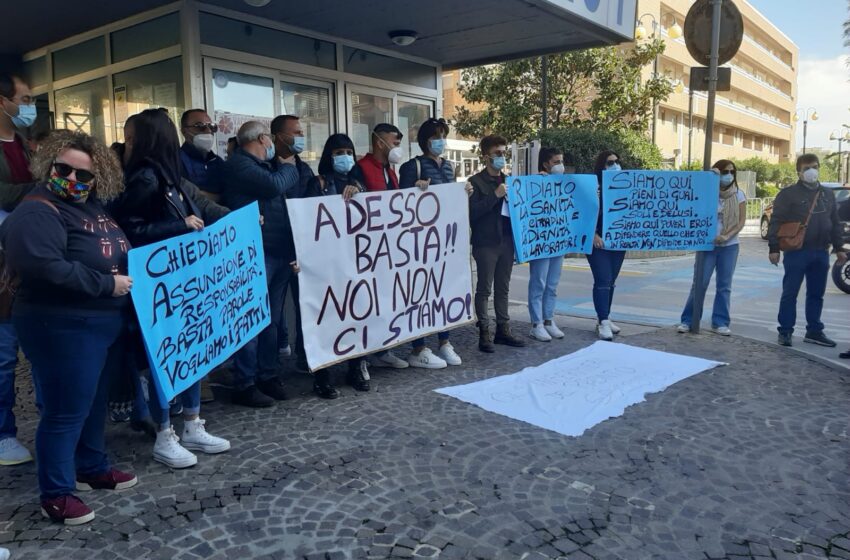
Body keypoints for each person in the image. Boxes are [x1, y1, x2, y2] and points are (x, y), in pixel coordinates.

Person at [0, 129, 137, 525]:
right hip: (59, 323)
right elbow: (43, 266)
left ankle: (91, 467)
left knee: (92, 402)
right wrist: (106, 284)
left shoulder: (92, 207)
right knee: (64, 411)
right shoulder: (37, 210)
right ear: (49, 165)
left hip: (102, 322)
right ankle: (56, 493)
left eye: (85, 175)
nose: (74, 180)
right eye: (65, 170)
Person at [113, 108, 231, 469]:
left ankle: (192, 423)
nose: (126, 142)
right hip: (158, 291)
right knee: (164, 358)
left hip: (180, 287)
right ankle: (165, 434)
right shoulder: (146, 179)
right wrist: (179, 228)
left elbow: (202, 211)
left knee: (191, 353)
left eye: (131, 136)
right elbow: (129, 230)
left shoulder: (168, 177)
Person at [221, 120, 317, 404]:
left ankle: (268, 374)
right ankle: (245, 382)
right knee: (251, 319)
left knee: (271, 321)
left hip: (278, 250)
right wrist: (288, 165)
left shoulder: (264, 165)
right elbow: (275, 186)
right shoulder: (241, 164)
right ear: (263, 138)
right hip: (255, 253)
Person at [398, 118, 463, 368]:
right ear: (426, 141)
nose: (441, 141)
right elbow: (398, 202)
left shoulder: (449, 166)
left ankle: (444, 342)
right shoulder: (412, 166)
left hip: (443, 239)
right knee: (420, 293)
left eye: (443, 136)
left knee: (442, 291)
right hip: (419, 241)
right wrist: (414, 190)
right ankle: (419, 346)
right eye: (438, 136)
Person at [312, 133, 373, 392]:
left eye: (348, 151)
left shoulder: (358, 182)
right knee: (326, 315)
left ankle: (355, 367)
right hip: (327, 261)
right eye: (339, 153)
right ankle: (322, 374)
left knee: (357, 313)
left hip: (355, 258)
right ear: (329, 156)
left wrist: (360, 192)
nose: (345, 157)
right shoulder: (319, 183)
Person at [767, 154, 847, 347]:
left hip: (821, 251)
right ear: (799, 172)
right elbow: (776, 221)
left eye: (815, 166)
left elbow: (835, 222)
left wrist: (839, 248)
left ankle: (814, 331)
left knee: (816, 294)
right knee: (790, 293)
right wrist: (774, 248)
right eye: (807, 168)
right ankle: (785, 331)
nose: (812, 170)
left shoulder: (827, 194)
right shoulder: (788, 194)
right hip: (797, 252)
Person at [349, 123, 409, 370]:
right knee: (366, 302)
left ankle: (383, 349)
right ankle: (361, 356)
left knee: (385, 300)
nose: (397, 147)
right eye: (394, 142)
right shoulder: (360, 168)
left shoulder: (390, 171)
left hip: (387, 249)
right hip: (367, 249)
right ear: (379, 142)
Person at [0, 73, 35, 467]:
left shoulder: (25, 144)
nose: (29, 106)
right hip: (2, 267)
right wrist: (40, 186)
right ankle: (3, 433)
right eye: (24, 98)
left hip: (28, 257)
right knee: (4, 354)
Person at [468, 134, 526, 352]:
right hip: (486, 242)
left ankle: (503, 329)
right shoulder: (475, 182)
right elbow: (472, 214)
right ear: (486, 156)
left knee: (503, 288)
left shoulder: (510, 180)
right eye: (497, 154)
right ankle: (484, 331)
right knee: (484, 289)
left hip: (507, 240)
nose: (502, 157)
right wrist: (495, 195)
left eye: (504, 153)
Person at [677, 160, 747, 335]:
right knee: (700, 283)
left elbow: (741, 222)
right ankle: (688, 319)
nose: (728, 175)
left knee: (724, 285)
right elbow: (692, 201)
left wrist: (726, 236)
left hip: (729, 245)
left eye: (732, 171)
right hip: (707, 245)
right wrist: (708, 177)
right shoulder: (707, 192)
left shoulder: (739, 195)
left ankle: (720, 321)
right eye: (724, 171)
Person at [526, 147, 568, 342]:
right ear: (545, 164)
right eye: (556, 162)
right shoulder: (537, 182)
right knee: (539, 282)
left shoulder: (565, 184)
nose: (560, 166)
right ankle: (537, 323)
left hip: (557, 240)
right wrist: (539, 181)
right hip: (542, 241)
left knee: (552, 284)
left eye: (561, 161)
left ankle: (549, 319)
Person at [586, 150, 626, 341]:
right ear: (602, 166)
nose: (615, 165)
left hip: (618, 241)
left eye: (617, 161)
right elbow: (584, 212)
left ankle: (605, 317)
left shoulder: (624, 187)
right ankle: (602, 321)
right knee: (603, 280)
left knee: (611, 281)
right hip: (598, 242)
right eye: (610, 162)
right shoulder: (594, 188)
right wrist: (592, 233)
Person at [179, 109, 224, 202]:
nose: (208, 131)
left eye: (212, 127)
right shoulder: (176, 160)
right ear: (184, 131)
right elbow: (184, 195)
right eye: (200, 126)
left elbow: (231, 193)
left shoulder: (218, 161)